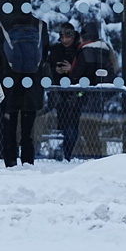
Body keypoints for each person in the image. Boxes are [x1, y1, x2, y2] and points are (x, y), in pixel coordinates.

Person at [0, 0, 48, 167]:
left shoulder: (3, 26)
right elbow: (45, 54)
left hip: (10, 85)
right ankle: (28, 161)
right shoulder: (40, 25)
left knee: (9, 128)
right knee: (28, 130)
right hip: (32, 84)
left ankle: (10, 162)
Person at [48, 23, 83, 160]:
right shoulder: (57, 50)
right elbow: (50, 67)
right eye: (62, 37)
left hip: (75, 93)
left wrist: (71, 69)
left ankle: (68, 153)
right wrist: (55, 71)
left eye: (67, 37)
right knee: (64, 125)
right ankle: (66, 152)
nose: (65, 40)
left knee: (72, 125)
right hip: (59, 93)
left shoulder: (79, 50)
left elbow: (82, 70)